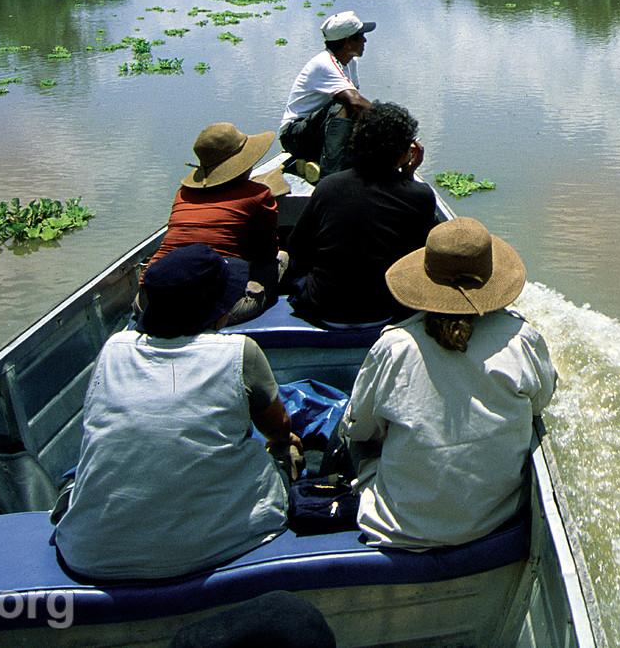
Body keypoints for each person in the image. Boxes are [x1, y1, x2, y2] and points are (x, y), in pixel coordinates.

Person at [53, 245, 299, 581]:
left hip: (89, 551)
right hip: (210, 547)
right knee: (285, 454)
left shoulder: (113, 349)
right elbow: (278, 428)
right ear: (219, 310)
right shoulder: (239, 352)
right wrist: (285, 443)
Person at [343, 219, 557, 550]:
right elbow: (541, 403)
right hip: (495, 519)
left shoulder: (395, 347)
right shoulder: (522, 339)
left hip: (400, 526)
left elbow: (359, 429)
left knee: (348, 433)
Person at [284, 102, 443, 327]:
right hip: (387, 310)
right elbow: (419, 252)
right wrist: (408, 177)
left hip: (323, 308)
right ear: (405, 152)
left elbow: (298, 247)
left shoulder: (329, 186)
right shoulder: (420, 195)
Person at [154, 122, 281, 324]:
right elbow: (266, 254)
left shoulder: (183, 194)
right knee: (281, 259)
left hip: (151, 302)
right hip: (207, 309)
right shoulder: (258, 195)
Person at [279, 11, 374, 177]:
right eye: (360, 36)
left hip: (319, 131)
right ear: (347, 42)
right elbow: (355, 102)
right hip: (294, 135)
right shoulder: (324, 64)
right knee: (344, 105)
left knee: (357, 116)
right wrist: (394, 127)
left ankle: (313, 162)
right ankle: (329, 176)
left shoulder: (350, 62)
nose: (365, 40)